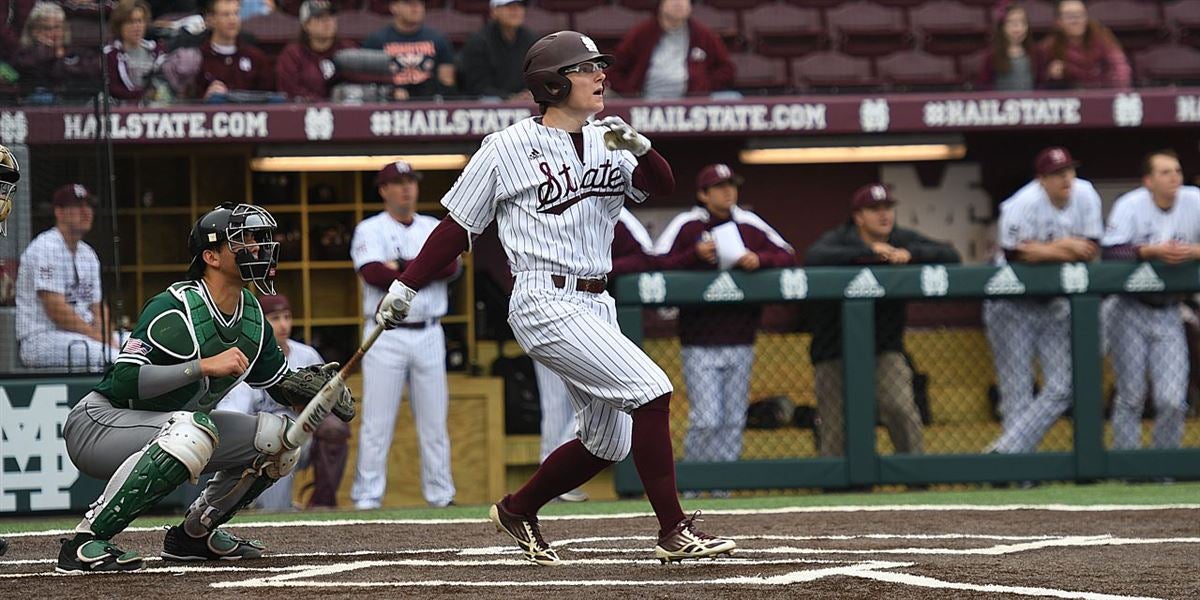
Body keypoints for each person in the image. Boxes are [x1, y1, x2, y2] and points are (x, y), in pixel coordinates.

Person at [373, 31, 735, 564]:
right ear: (551, 82)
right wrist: (407, 283)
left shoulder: (610, 137)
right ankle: (673, 529)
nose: (600, 75)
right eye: (586, 68)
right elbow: (457, 228)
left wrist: (642, 146)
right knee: (652, 389)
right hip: (544, 298)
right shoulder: (505, 147)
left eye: (598, 67)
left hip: (596, 302)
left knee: (606, 443)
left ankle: (518, 509)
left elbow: (660, 185)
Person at [55, 202, 355, 573]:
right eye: (243, 241)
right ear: (211, 256)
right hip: (100, 425)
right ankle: (84, 542)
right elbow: (124, 380)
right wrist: (200, 366)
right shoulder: (175, 308)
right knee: (192, 429)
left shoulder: (252, 317)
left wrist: (316, 392)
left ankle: (194, 534)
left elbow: (278, 387)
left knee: (280, 440)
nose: (258, 249)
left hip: (171, 429)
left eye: (258, 240)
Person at [804, 183, 960, 457]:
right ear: (858, 216)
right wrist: (870, 254)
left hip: (884, 347)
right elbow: (814, 257)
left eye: (887, 208)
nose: (883, 215)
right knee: (836, 425)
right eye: (874, 210)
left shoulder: (901, 238)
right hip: (833, 348)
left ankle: (914, 475)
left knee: (899, 407)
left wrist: (912, 255)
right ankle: (838, 490)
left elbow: (951, 256)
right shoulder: (841, 239)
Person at [654, 164, 794, 465]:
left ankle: (723, 489)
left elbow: (786, 253)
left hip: (741, 335)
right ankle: (693, 482)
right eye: (719, 187)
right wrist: (695, 255)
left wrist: (759, 258)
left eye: (731, 185)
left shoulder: (748, 223)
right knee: (706, 418)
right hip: (698, 340)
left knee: (733, 419)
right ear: (703, 194)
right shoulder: (688, 224)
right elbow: (656, 263)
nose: (728, 191)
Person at [349, 160, 458, 510]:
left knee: (434, 422)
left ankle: (441, 496)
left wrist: (402, 267)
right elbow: (373, 274)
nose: (406, 188)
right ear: (383, 190)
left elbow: (452, 266)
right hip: (385, 333)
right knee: (377, 423)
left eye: (410, 181)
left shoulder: (432, 225)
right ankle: (367, 498)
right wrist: (424, 266)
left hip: (428, 332)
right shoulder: (370, 228)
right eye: (398, 182)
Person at [534, 207, 660, 503]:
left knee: (598, 396)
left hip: (592, 310)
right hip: (543, 305)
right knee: (553, 405)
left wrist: (599, 267)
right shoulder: (547, 196)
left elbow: (646, 256)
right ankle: (552, 481)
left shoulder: (609, 202)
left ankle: (558, 479)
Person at [984, 147, 1102, 455]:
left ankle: (1005, 452)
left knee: (1062, 388)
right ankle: (1020, 472)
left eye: (1069, 171)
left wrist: (1041, 250)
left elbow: (1090, 250)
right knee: (1017, 392)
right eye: (1057, 174)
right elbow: (1014, 255)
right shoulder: (1022, 204)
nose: (1066, 178)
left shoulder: (1086, 194)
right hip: (1010, 304)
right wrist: (1064, 245)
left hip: (1053, 304)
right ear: (1041, 180)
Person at [1101, 150, 1200, 451]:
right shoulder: (1130, 205)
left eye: (1177, 171)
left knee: (1172, 399)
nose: (1174, 178)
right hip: (1129, 308)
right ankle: (1127, 465)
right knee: (1131, 394)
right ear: (1148, 180)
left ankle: (1163, 465)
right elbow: (1110, 252)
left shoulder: (1194, 200)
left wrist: (1194, 252)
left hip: (1170, 309)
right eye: (1165, 172)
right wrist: (1149, 251)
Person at [217, 292, 351, 509]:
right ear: (261, 323)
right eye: (275, 318)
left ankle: (322, 503)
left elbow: (330, 404)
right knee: (273, 512)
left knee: (334, 428)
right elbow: (233, 417)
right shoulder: (243, 359)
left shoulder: (307, 355)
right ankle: (256, 505)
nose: (283, 325)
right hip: (262, 446)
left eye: (287, 317)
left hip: (304, 438)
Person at [17, 184, 118, 371]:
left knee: (139, 346)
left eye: (89, 206)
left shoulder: (87, 253)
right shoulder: (45, 247)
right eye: (78, 206)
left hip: (81, 335)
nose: (86, 212)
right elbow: (56, 310)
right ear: (59, 212)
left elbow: (97, 306)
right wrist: (100, 338)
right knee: (113, 358)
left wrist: (108, 336)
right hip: (42, 338)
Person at [607, 0, 734, 99]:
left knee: (732, 98)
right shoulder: (641, 34)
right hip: (647, 101)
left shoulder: (703, 34)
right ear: (661, 4)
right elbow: (615, 69)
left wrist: (703, 87)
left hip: (691, 103)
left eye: (684, 0)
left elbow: (726, 69)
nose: (679, 3)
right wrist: (631, 93)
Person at [362, 0, 454, 100]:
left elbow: (447, 81)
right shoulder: (376, 40)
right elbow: (367, 83)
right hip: (388, 103)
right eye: (408, 3)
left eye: (420, 3)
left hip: (428, 101)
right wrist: (391, 91)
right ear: (394, 7)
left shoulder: (438, 39)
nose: (416, 8)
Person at [275, 0, 357, 101]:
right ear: (306, 25)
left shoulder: (348, 49)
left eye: (331, 16)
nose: (328, 22)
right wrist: (323, 104)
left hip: (346, 111)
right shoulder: (292, 55)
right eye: (320, 18)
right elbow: (291, 90)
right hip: (305, 113)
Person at [1039, 0, 1130, 89]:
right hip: (1071, 97)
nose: (1076, 21)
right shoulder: (1050, 47)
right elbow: (1040, 81)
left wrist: (1116, 93)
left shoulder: (1102, 37)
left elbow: (1120, 68)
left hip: (1101, 93)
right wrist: (1050, 75)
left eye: (1080, 15)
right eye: (1069, 16)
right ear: (1058, 22)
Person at [11, 1, 97, 96]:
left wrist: (59, 57)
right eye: (48, 28)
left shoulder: (77, 51)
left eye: (58, 27)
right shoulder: (24, 55)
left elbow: (85, 76)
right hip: (33, 102)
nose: (55, 33)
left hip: (73, 101)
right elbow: (26, 73)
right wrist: (43, 51)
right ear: (35, 31)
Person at [456, 0, 537, 100]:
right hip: (487, 106)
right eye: (509, 7)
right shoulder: (478, 42)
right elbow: (477, 87)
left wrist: (528, 93)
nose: (516, 11)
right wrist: (509, 98)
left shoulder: (530, 39)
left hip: (524, 103)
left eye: (520, 6)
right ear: (494, 11)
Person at [193, 0, 274, 100]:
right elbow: (188, 102)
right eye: (226, 15)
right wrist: (205, 99)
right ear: (211, 20)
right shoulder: (199, 58)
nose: (233, 20)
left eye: (236, 13)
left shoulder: (256, 57)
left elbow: (270, 97)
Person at [104, 0, 164, 102]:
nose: (137, 27)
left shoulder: (157, 51)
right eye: (131, 22)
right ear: (120, 26)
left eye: (140, 21)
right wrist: (143, 94)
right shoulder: (110, 55)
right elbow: (114, 88)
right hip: (122, 108)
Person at [977, 1, 1039, 91]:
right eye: (1011, 22)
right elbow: (983, 86)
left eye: (1022, 22)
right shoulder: (992, 56)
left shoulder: (1036, 53)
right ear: (1002, 27)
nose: (1018, 27)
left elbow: (1041, 84)